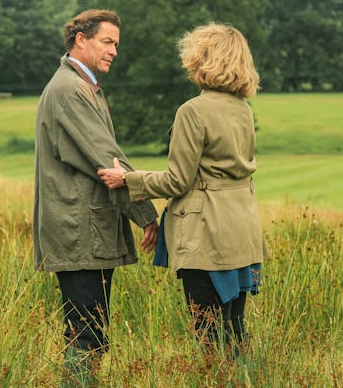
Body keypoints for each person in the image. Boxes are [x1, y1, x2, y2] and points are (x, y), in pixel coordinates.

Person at [98, 23, 267, 353]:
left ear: (202, 59)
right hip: (243, 229)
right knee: (234, 329)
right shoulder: (243, 109)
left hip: (208, 233)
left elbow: (177, 181)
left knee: (209, 335)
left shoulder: (193, 110)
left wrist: (127, 180)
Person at [33, 9, 159, 383]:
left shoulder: (80, 86)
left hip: (85, 230)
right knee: (86, 333)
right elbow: (109, 162)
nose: (114, 51)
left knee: (90, 331)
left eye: (117, 44)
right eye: (107, 42)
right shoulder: (71, 91)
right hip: (78, 231)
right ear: (80, 39)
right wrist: (147, 215)